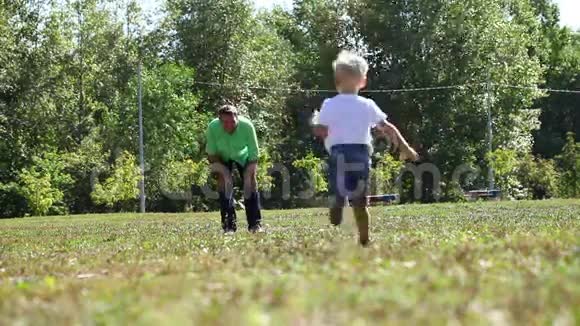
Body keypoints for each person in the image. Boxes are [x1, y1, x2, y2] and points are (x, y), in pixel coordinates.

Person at [312, 50, 418, 246]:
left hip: (339, 154)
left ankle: (337, 204)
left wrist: (315, 123)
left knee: (338, 190)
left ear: (337, 81)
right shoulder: (367, 104)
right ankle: (364, 239)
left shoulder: (329, 104)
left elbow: (321, 130)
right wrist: (405, 147)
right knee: (360, 201)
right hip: (360, 154)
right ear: (363, 81)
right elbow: (388, 127)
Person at [205, 105, 263, 233]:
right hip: (222, 156)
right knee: (224, 184)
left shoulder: (247, 126)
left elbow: (254, 153)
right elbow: (212, 154)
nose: (229, 125)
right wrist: (222, 172)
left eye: (232, 121)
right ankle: (229, 226)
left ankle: (255, 225)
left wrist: (249, 173)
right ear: (220, 121)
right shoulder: (213, 128)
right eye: (225, 122)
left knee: (250, 184)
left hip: (244, 156)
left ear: (237, 118)